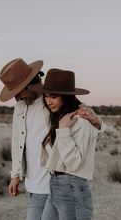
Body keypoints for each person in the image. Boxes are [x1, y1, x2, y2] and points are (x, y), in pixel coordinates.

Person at [0, 59, 105, 220]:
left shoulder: (51, 102)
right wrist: (15, 175)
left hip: (51, 178)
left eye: (18, 92)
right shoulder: (21, 106)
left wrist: (98, 123)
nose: (16, 97)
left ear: (29, 85)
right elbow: (17, 142)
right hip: (32, 178)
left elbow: (83, 116)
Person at [28, 68, 101, 220]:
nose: (48, 101)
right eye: (46, 96)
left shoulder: (80, 121)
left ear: (66, 97)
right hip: (56, 184)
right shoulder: (61, 117)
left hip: (72, 186)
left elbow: (74, 163)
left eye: (53, 96)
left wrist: (63, 132)